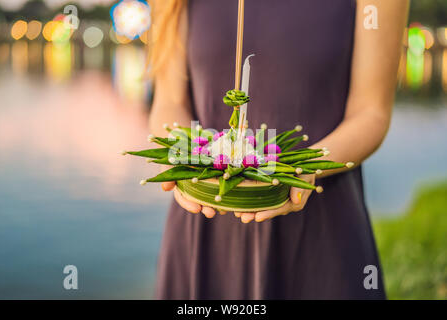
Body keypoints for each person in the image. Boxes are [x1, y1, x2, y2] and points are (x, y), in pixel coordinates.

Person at [148, 0, 409, 299]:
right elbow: (168, 101)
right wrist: (185, 157)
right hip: (203, 219)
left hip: (321, 230)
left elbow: (371, 113)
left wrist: (304, 171)